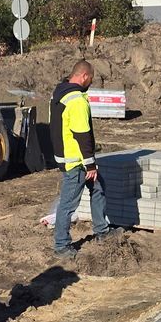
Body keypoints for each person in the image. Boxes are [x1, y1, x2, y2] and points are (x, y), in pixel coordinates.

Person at [50, 59, 112, 259]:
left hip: (69, 157)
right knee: (68, 204)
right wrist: (90, 165)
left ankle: (102, 231)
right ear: (84, 76)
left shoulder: (60, 93)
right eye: (90, 79)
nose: (90, 83)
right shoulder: (76, 100)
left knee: (98, 189)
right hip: (76, 161)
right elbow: (82, 134)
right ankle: (61, 246)